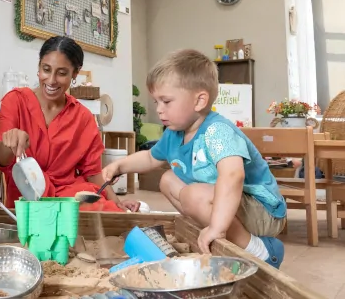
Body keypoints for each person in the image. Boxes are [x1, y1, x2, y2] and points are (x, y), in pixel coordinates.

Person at [102, 49, 287, 269]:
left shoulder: (216, 131)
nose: (159, 110)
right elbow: (151, 158)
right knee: (167, 180)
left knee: (193, 195)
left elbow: (233, 174)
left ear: (199, 101)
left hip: (262, 210)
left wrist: (217, 226)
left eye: (166, 101)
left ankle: (258, 249)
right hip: (226, 204)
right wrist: (120, 166)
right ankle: (217, 233)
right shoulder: (173, 133)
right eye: (156, 102)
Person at [0, 36, 140, 212]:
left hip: (69, 197)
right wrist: (9, 143)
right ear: (39, 67)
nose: (51, 80)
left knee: (107, 212)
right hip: (28, 198)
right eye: (46, 69)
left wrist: (116, 203)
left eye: (61, 73)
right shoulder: (15, 101)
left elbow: (92, 172)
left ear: (75, 73)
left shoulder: (83, 117)